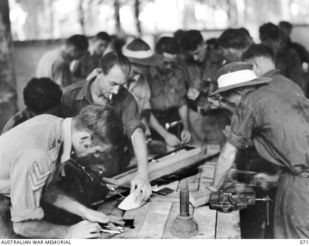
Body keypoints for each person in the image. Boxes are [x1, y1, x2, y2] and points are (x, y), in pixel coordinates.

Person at [209, 61, 309, 238]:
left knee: (302, 238)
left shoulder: (249, 103)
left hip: (306, 188)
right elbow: (300, 147)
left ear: (237, 92)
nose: (229, 103)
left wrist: (213, 190)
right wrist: (276, 178)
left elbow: (228, 154)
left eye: (227, 98)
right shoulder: (282, 91)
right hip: (306, 178)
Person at [0, 105, 124, 238]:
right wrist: (68, 232)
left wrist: (86, 212)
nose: (94, 156)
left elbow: (46, 189)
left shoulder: (53, 125)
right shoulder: (38, 155)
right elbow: (23, 226)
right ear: (85, 139)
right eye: (97, 151)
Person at [61, 51, 151, 201]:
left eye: (121, 85)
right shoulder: (70, 95)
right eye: (113, 84)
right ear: (99, 73)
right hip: (79, 170)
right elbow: (63, 135)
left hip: (114, 170)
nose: (116, 91)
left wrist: (142, 174)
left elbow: (136, 133)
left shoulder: (126, 99)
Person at [180, 30, 230, 146]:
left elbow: (231, 92)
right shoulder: (185, 63)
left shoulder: (221, 60)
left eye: (197, 53)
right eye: (191, 55)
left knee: (217, 155)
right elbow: (180, 93)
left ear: (204, 45)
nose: (195, 58)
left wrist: (212, 89)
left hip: (217, 119)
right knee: (194, 156)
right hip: (194, 119)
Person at [147, 36, 191, 147]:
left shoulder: (178, 71)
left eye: (172, 62)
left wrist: (186, 127)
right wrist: (165, 135)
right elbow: (145, 110)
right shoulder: (146, 74)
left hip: (174, 121)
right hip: (154, 125)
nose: (169, 66)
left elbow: (182, 102)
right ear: (156, 56)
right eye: (166, 62)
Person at [259, 23, 305, 92]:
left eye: (272, 41)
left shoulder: (290, 56)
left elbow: (297, 83)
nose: (269, 45)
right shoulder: (258, 55)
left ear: (279, 40)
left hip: (287, 95)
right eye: (265, 42)